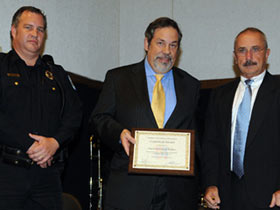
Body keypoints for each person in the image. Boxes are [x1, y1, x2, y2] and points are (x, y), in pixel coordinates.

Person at [90, 17, 200, 210]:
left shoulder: (191, 85)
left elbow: (197, 138)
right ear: (146, 44)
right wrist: (119, 133)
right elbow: (99, 118)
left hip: (177, 194)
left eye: (173, 45)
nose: (167, 51)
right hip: (130, 190)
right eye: (160, 43)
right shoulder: (118, 78)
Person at [0, 6, 82, 210]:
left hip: (47, 175)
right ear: (13, 30)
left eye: (40, 29)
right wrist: (29, 145)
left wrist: (54, 142)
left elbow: (75, 114)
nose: (35, 34)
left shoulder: (56, 73)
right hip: (6, 174)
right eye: (28, 27)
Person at [202, 27, 280, 210]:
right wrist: (210, 184)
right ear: (235, 56)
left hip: (272, 198)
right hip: (226, 197)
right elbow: (210, 144)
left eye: (256, 49)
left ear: (267, 54)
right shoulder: (219, 96)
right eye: (242, 50)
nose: (248, 56)